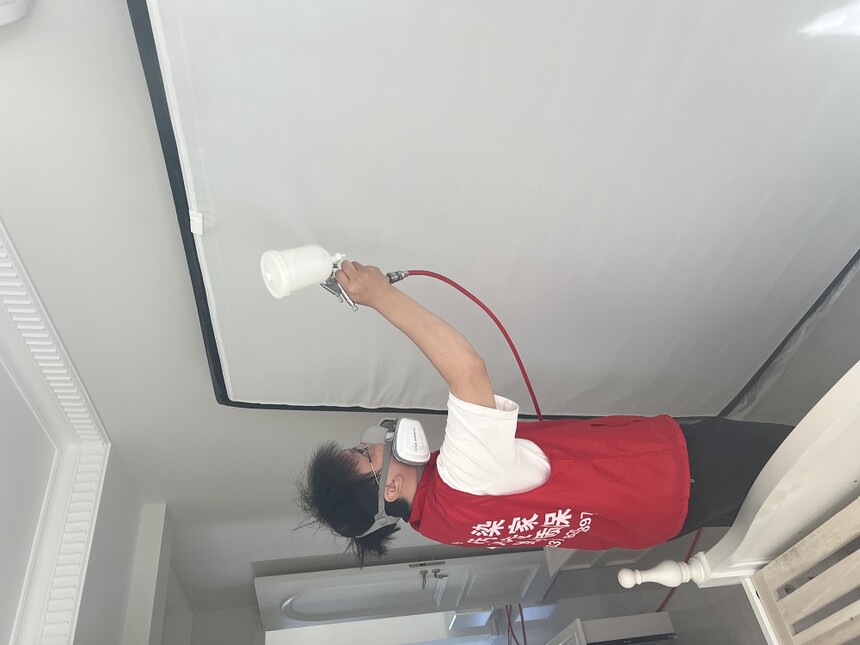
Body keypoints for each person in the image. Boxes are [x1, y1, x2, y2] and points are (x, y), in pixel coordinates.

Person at [298, 261, 792, 563]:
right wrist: (382, 296)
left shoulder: (438, 520)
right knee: (811, 451)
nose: (378, 440)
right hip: (672, 473)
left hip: (659, 512)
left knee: (787, 500)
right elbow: (467, 370)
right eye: (366, 452)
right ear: (387, 488)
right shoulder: (462, 476)